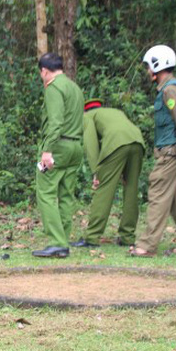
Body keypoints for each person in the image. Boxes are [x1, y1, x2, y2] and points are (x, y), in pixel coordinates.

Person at [131, 45, 176, 257]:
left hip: (170, 153)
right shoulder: (167, 89)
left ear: (156, 65)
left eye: (148, 67)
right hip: (173, 151)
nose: (147, 71)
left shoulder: (170, 90)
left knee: (158, 194)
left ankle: (147, 245)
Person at [70, 99, 145, 248]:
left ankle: (92, 237)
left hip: (116, 142)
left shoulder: (87, 116)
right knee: (131, 188)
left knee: (104, 189)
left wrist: (96, 171)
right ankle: (128, 237)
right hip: (137, 141)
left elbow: (90, 143)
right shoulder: (115, 112)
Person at [32, 53, 84, 258]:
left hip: (58, 146)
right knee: (65, 194)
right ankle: (63, 238)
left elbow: (55, 122)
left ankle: (57, 242)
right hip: (76, 147)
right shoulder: (75, 88)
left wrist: (47, 149)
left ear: (44, 71)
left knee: (45, 192)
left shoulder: (54, 88)